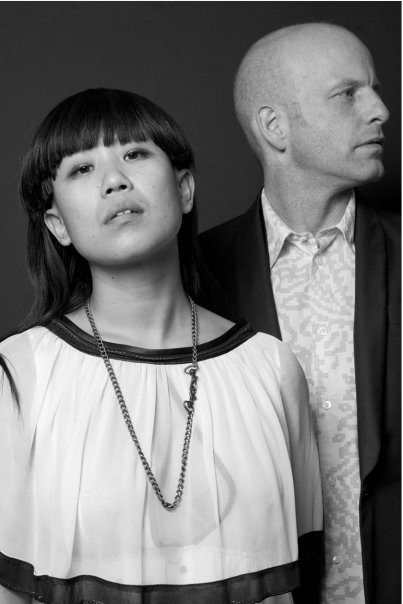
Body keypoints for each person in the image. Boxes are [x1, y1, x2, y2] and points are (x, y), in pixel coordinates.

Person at [0, 88, 322, 604]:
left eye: (135, 153)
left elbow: (296, 580)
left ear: (185, 189)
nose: (114, 180)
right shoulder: (19, 373)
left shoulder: (271, 367)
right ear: (57, 225)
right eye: (81, 168)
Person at [200, 22, 401, 604]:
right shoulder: (196, 276)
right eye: (348, 93)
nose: (381, 110)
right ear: (275, 127)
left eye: (374, 89)